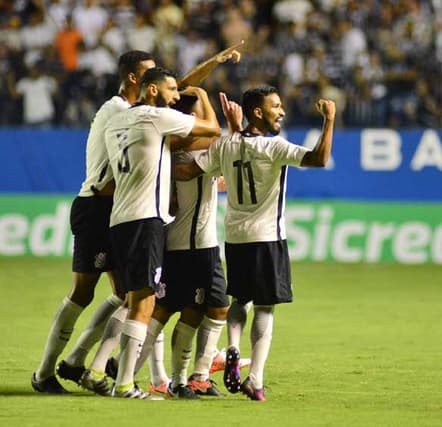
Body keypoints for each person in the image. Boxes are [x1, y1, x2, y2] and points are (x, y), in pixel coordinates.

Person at [173, 86, 336, 401]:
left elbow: (190, 170)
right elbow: (318, 158)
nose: (282, 111)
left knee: (239, 299)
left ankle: (233, 345)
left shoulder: (227, 145)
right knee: (265, 305)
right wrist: (328, 120)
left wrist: (155, 167)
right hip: (267, 238)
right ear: (258, 112)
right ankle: (255, 378)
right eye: (276, 106)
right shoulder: (274, 147)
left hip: (235, 238)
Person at [31, 50, 155, 394]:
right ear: (133, 77)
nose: (156, 82)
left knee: (126, 295)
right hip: (95, 208)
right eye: (150, 74)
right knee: (83, 293)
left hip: (118, 211)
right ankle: (43, 374)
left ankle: (76, 362)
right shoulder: (116, 110)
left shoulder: (138, 112)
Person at [104, 66, 220, 399]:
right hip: (145, 220)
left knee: (135, 300)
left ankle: (120, 372)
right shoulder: (155, 117)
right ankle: (124, 382)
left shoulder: (117, 122)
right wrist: (203, 97)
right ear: (152, 90)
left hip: (120, 218)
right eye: (171, 89)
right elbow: (212, 129)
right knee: (145, 303)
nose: (176, 95)